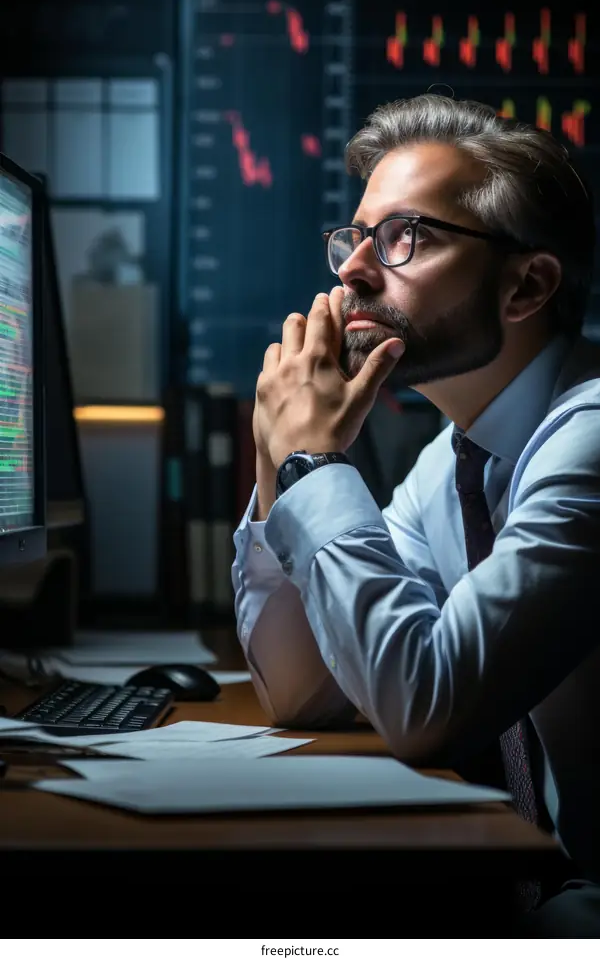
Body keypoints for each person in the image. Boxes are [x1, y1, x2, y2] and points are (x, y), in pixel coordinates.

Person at [232, 94, 600, 936]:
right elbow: (303, 689)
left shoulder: (590, 442)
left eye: (406, 236)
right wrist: (277, 457)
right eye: (357, 237)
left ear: (526, 285)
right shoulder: (453, 460)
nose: (354, 270)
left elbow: (425, 708)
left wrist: (315, 462)